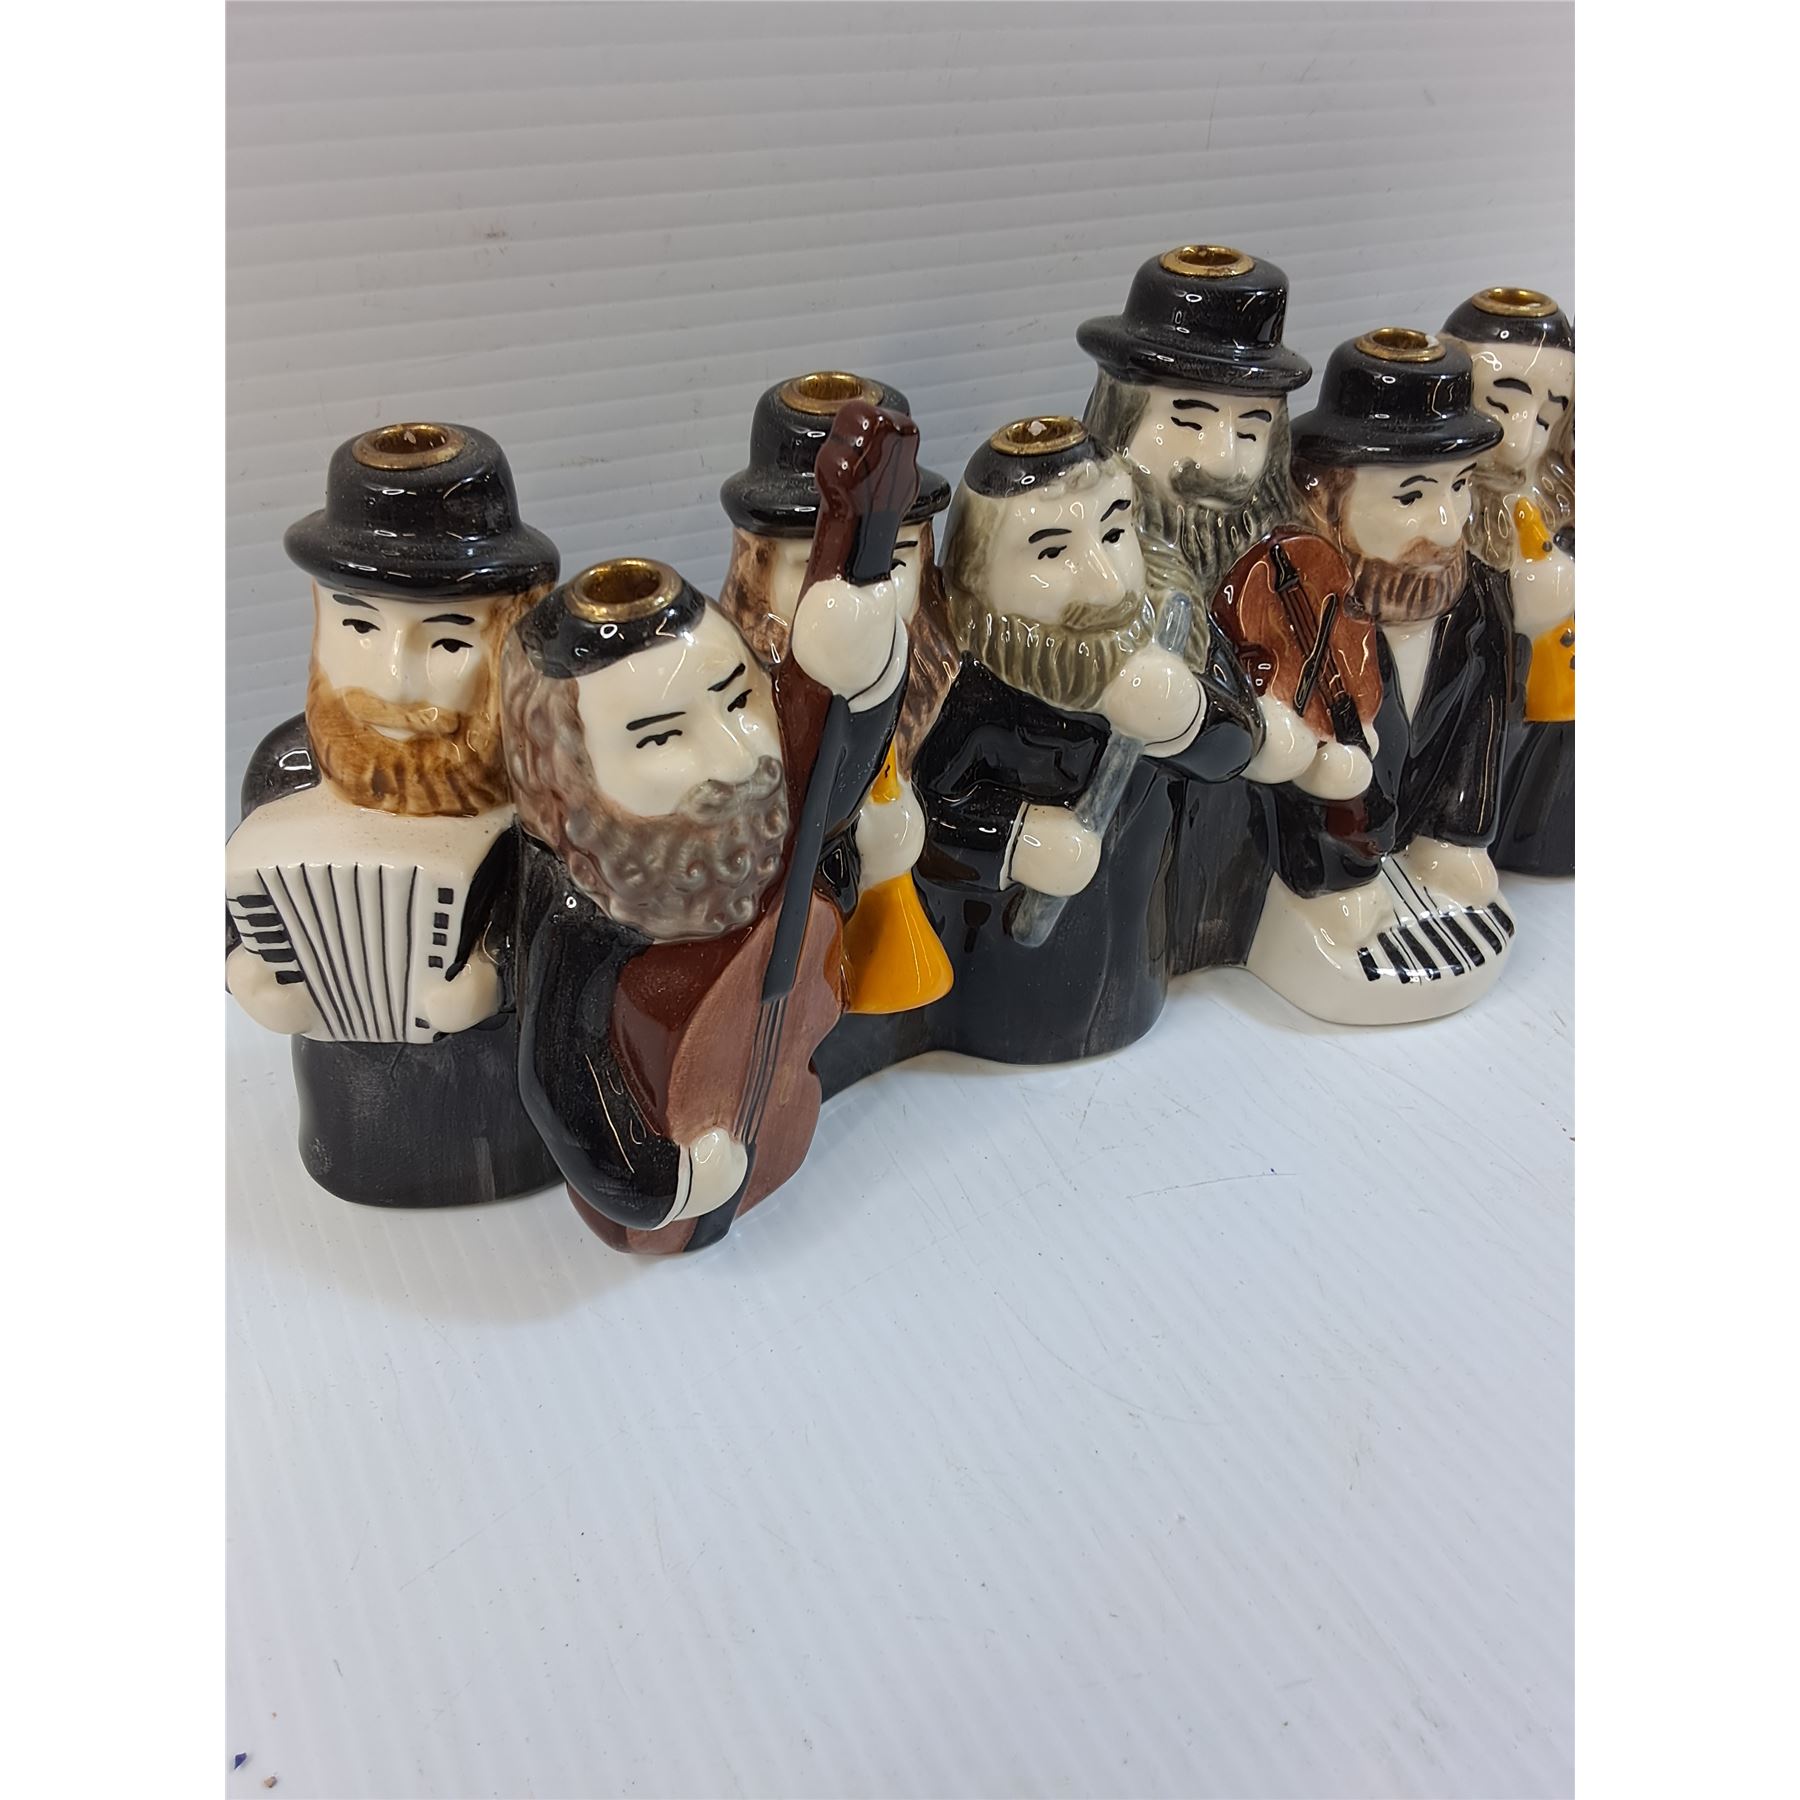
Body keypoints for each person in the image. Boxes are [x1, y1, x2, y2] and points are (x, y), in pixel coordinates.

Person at [504, 547, 905, 1255]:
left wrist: (870, 673)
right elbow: (561, 1075)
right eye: (662, 736)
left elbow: (831, 803)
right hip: (677, 1156)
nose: (734, 757)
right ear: (569, 781)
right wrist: (661, 1181)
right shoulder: (580, 905)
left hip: (774, 1104)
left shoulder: (760, 809)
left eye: (739, 701)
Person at [225, 422, 562, 1205]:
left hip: (501, 1111)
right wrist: (244, 971)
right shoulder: (286, 770)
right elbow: (234, 911)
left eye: (447, 644)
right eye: (358, 626)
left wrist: (498, 978)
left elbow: (570, 928)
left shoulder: (547, 783)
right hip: (346, 1107)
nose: (394, 680)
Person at [910, 417, 1256, 1065]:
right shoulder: (978, 688)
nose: (1105, 583)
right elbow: (927, 818)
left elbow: (1239, 747)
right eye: (1051, 552)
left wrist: (1186, 717)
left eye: (1115, 532)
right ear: (978, 571)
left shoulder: (1176, 630)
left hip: (1143, 949)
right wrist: (1016, 841)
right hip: (1008, 981)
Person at [1078, 243, 1365, 972]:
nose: (1227, 463)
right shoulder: (1085, 581)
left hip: (1244, 861)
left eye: (1252, 428)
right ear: (1120, 417)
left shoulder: (1288, 569)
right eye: (1188, 421)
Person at [1246, 329, 1525, 1024]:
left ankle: (1441, 837)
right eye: (1410, 496)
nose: (1447, 524)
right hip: (1323, 861)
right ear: (1325, 496)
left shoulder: (1476, 598)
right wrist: (1337, 871)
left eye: (1459, 486)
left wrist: (1458, 834)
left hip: (1423, 833)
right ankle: (1335, 876)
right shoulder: (1294, 611)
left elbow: (1480, 729)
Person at [717, 372, 958, 1095]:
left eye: (898, 561)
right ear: (754, 569)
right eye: (812, 569)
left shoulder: (938, 671)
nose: (871, 597)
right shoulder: (740, 704)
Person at [1441, 287, 1576, 875]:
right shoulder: (1438, 509)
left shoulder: (1551, 503)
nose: (1523, 442)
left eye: (1548, 417)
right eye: (1502, 404)